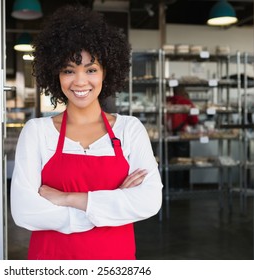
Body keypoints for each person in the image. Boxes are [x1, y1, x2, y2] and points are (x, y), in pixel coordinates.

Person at [10, 5, 163, 260]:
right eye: (69, 70)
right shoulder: (36, 132)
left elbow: (149, 201)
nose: (80, 81)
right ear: (56, 74)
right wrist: (113, 204)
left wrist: (67, 198)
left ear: (106, 72)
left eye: (91, 69)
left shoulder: (130, 130)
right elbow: (24, 211)